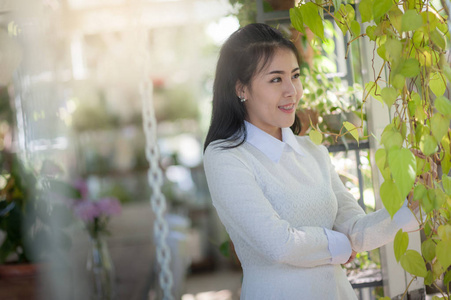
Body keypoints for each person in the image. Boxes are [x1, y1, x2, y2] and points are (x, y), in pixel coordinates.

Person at [202, 23, 418, 300]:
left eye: (295, 76)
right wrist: (339, 246)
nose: (292, 90)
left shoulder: (312, 151)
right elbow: (279, 244)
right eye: (276, 79)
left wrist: (411, 209)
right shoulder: (226, 157)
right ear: (241, 88)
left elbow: (355, 229)